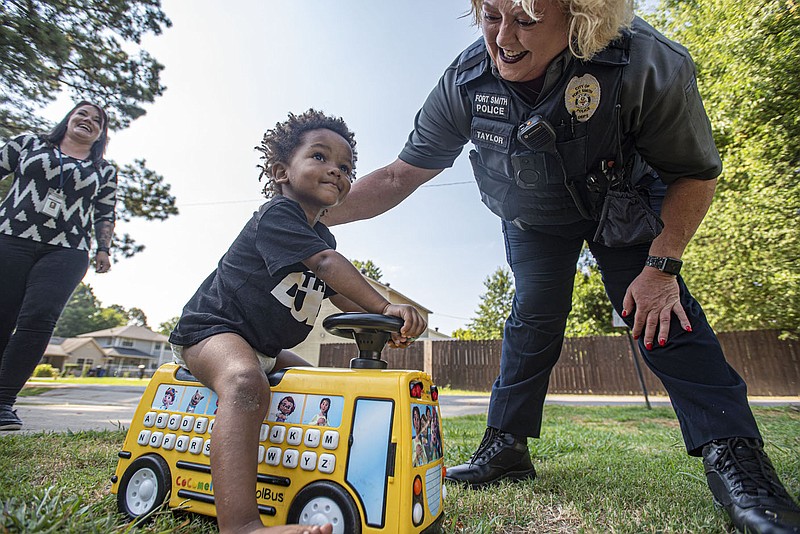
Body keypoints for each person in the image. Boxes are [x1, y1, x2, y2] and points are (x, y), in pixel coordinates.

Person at [323, 1, 800, 532]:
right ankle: (505, 446)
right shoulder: (464, 82)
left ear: (580, 20)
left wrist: (661, 268)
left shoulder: (647, 61)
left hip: (623, 202)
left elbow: (696, 174)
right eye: (492, 16)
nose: (503, 38)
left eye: (526, 21)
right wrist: (312, 212)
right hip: (534, 216)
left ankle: (739, 463)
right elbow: (397, 176)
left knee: (659, 315)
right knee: (532, 317)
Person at [168, 109, 427, 534]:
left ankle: (297, 473)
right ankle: (242, 525)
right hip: (213, 330)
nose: (336, 172)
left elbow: (335, 291)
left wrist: (378, 326)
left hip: (264, 348)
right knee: (244, 383)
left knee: (318, 391)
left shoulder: (321, 237)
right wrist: (384, 307)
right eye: (321, 157)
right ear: (281, 171)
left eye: (346, 168)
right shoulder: (278, 216)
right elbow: (326, 267)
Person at [0, 101, 116, 432]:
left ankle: (4, 401)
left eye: (97, 121)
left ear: (100, 134)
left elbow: (105, 211)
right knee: (3, 313)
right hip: (10, 237)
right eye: (82, 114)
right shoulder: (28, 144)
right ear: (68, 119)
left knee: (39, 317)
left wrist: (103, 249)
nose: (88, 121)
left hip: (67, 250)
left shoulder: (104, 171)